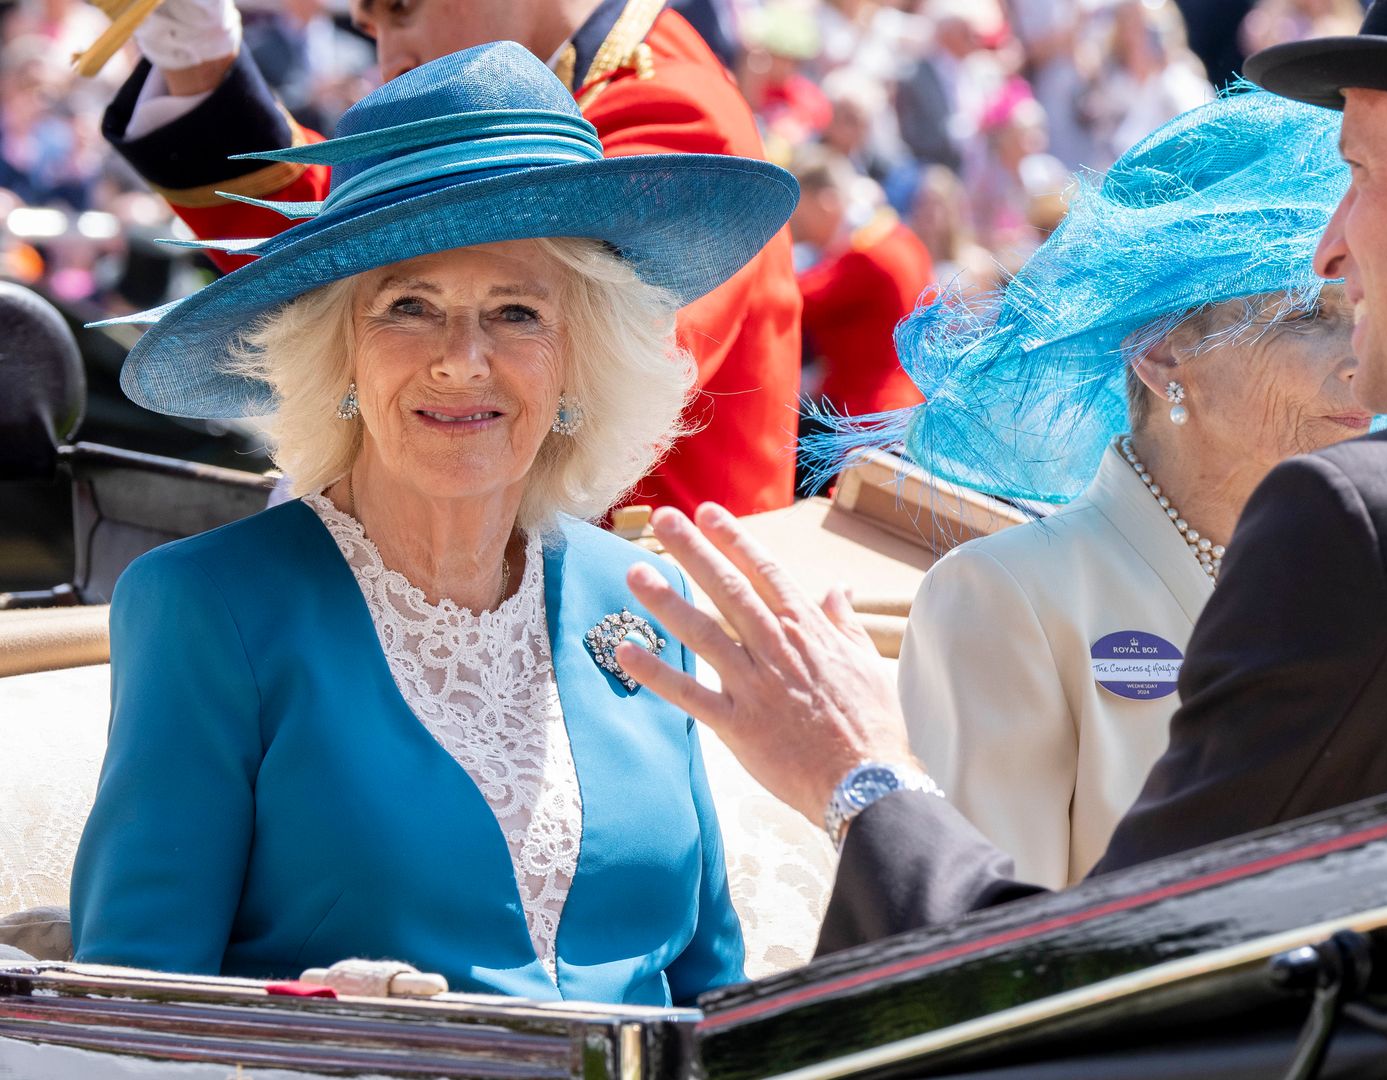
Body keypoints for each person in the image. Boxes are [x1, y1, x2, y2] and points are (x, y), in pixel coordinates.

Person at [610, 0, 1387, 958]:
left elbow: (1088, 988)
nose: (1339, 240)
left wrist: (861, 777)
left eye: (1362, 172)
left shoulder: (1379, 524)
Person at [68, 43, 798, 1004]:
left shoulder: (640, 596)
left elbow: (713, 991)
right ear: (339, 356)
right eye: (408, 307)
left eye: (516, 313)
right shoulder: (208, 606)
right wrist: (318, 1042)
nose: (463, 361)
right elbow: (133, 1009)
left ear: (580, 358)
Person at [812, 91, 1360, 888]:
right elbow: (991, 950)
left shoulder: (1359, 580)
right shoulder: (1006, 600)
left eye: (1365, 308)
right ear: (1164, 350)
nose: (1361, 358)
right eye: (1311, 315)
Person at [95, 0, 802, 517]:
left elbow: (572, 375)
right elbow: (373, 247)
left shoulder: (666, 98)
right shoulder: (595, 79)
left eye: (404, 11)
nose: (390, 61)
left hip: (653, 603)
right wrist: (204, 72)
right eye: (370, 29)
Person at [790, 149, 934, 423]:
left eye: (798, 215)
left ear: (825, 202)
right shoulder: (903, 239)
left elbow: (794, 299)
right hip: (908, 407)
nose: (794, 228)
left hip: (865, 415)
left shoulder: (866, 255)